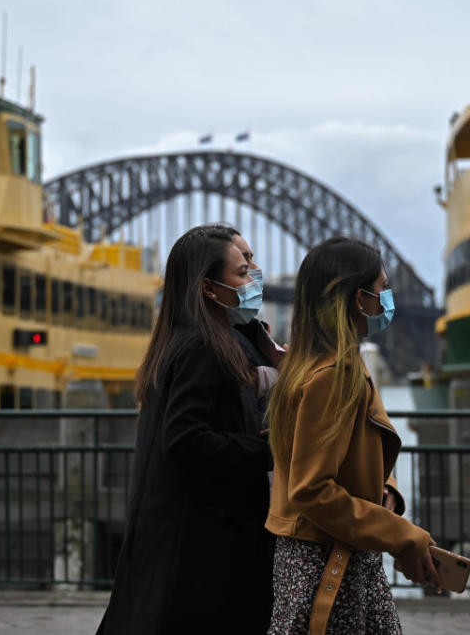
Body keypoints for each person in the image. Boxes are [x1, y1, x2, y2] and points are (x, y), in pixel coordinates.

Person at [98, 224, 274, 635]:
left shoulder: (189, 340)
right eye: (243, 270)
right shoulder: (203, 347)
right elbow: (185, 440)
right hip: (207, 547)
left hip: (183, 540)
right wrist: (267, 450)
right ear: (208, 288)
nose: (255, 276)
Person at [265, 236, 439, 635]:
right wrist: (402, 535)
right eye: (382, 288)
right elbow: (311, 489)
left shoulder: (323, 365)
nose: (388, 299)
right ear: (358, 299)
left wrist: (386, 491)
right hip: (327, 561)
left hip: (338, 552)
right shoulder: (332, 376)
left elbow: (352, 457)